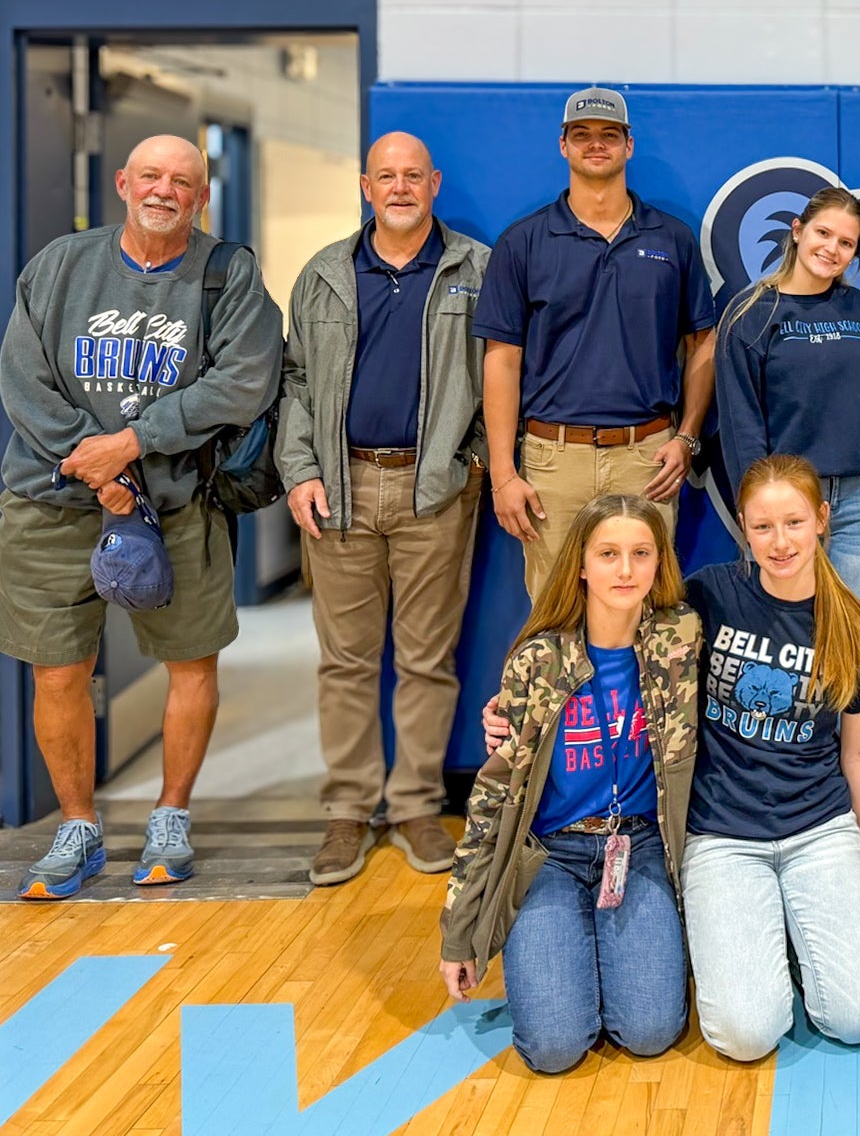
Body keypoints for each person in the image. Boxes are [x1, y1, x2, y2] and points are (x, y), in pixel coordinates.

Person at [2, 134, 282, 898]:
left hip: (179, 503)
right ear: (124, 183)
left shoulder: (229, 276)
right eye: (151, 176)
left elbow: (244, 382)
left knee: (190, 661)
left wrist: (132, 446)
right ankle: (77, 826)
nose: (165, 190)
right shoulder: (62, 265)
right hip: (49, 499)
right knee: (59, 670)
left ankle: (171, 816)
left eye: (182, 181)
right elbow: (22, 378)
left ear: (201, 198)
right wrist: (94, 467)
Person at [278, 132, 489, 887]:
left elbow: (501, 375)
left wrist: (473, 466)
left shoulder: (474, 267)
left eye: (413, 176)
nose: (399, 187)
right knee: (345, 660)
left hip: (434, 489)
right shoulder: (327, 274)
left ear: (433, 182)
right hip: (339, 487)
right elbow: (294, 381)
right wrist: (299, 470)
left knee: (429, 660)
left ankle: (416, 806)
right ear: (366, 187)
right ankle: (347, 811)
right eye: (385, 176)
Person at [439, 494, 697, 1074]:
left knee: (651, 1030)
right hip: (552, 856)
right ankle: (559, 963)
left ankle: (611, 960)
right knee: (554, 1049)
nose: (625, 570)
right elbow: (492, 801)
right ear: (580, 564)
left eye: (640, 553)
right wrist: (460, 934)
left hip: (642, 847)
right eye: (608, 554)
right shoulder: (539, 661)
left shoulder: (680, 640)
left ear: (660, 563)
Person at [680, 455, 860, 1060]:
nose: (780, 542)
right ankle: (761, 933)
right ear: (744, 531)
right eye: (763, 527)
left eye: (795, 523)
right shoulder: (708, 595)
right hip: (723, 833)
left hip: (817, 829)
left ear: (822, 520)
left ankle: (802, 935)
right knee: (747, 1035)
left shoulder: (856, 627)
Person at [474, 87, 717, 595]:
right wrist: (503, 472)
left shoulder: (671, 239)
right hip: (552, 461)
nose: (596, 144)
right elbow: (502, 361)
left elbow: (703, 342)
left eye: (609, 135)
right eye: (581, 135)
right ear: (563, 145)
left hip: (646, 458)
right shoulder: (523, 242)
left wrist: (687, 437)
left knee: (646, 611)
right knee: (554, 618)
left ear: (629, 145)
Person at [716, 186, 860, 605]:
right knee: (787, 630)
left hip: (859, 495)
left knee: (852, 633)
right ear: (797, 230)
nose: (832, 249)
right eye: (823, 233)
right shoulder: (750, 313)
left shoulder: (857, 307)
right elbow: (742, 422)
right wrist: (760, 508)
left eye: (846, 243)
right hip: (786, 503)